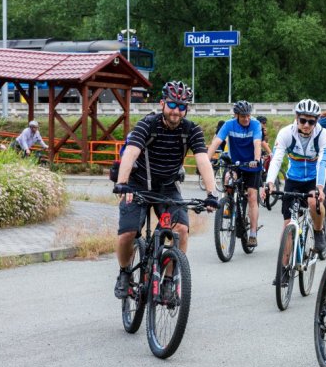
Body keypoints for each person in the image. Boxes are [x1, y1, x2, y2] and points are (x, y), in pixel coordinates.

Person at [112, 81, 219, 299]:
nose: (176, 111)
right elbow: (131, 152)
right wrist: (122, 183)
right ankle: (124, 273)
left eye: (181, 106)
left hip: (168, 187)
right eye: (172, 104)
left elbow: (203, 161)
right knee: (128, 233)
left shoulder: (191, 130)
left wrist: (212, 194)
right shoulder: (147, 125)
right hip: (137, 184)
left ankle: (169, 280)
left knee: (181, 230)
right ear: (162, 104)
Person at [265, 99, 326, 261]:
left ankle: (318, 231)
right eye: (303, 120)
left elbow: (323, 163)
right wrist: (269, 182)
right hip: (293, 179)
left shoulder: (324, 136)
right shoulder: (286, 133)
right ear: (296, 118)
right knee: (288, 223)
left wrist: (320, 187)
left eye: (311, 121)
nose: (307, 125)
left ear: (316, 121)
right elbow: (276, 160)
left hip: (314, 179)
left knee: (313, 201)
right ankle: (283, 270)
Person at [207, 100, 263, 247]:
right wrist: (206, 160)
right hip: (236, 163)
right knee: (228, 180)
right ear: (236, 115)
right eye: (243, 116)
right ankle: (229, 204)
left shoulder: (255, 124)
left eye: (248, 115)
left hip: (252, 165)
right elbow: (216, 142)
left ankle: (252, 233)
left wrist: (256, 159)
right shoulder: (229, 124)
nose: (246, 118)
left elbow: (257, 143)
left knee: (252, 196)